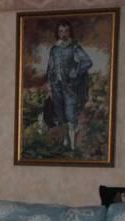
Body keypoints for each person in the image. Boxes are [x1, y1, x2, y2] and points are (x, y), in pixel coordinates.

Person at [46, 20, 93, 151]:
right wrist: (49, 84)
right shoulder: (54, 49)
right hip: (56, 86)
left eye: (66, 31)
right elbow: (50, 67)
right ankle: (66, 140)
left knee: (70, 114)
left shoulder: (74, 47)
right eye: (61, 31)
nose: (63, 34)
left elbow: (87, 62)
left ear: (70, 32)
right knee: (60, 115)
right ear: (57, 33)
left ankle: (73, 147)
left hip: (70, 87)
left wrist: (75, 72)